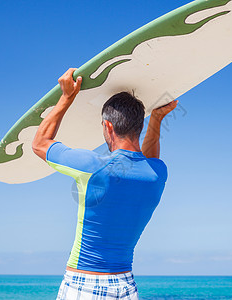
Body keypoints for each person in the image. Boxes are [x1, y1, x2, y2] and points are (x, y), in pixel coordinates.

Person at [32, 68, 177, 299]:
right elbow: (149, 160)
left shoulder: (92, 166)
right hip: (126, 286)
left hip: (83, 285)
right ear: (138, 127)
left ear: (108, 127)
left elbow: (40, 143)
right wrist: (157, 118)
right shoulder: (158, 174)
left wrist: (67, 97)